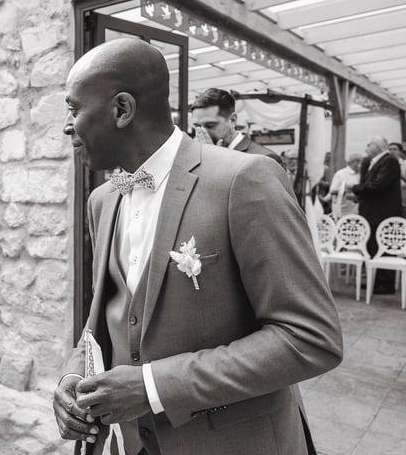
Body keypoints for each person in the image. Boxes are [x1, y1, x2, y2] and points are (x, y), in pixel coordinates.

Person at [53, 38, 342, 455]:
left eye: (74, 109)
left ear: (121, 109)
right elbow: (106, 322)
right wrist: (71, 377)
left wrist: (153, 386)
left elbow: (311, 337)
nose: (67, 125)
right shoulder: (103, 200)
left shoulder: (245, 180)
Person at [353, 136, 403, 295]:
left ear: (378, 146)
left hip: (383, 212)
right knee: (373, 247)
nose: (366, 147)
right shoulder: (373, 162)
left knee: (384, 248)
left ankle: (386, 283)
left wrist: (356, 188)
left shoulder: (389, 161)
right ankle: (375, 281)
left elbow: (379, 184)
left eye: (369, 144)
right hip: (373, 212)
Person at [189, 88, 282, 165]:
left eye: (210, 125)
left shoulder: (265, 158)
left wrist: (212, 161)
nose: (202, 133)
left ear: (232, 120)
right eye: (197, 127)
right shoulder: (197, 156)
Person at [320, 153, 361, 218]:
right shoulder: (340, 174)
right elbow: (332, 191)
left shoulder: (361, 175)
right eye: (358, 162)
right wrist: (346, 191)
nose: (360, 165)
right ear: (353, 162)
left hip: (357, 211)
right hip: (342, 211)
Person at [387, 141, 406, 213]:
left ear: (400, 151)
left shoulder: (404, 164)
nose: (392, 151)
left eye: (394, 149)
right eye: (390, 149)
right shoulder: (384, 165)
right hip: (389, 202)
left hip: (403, 201)